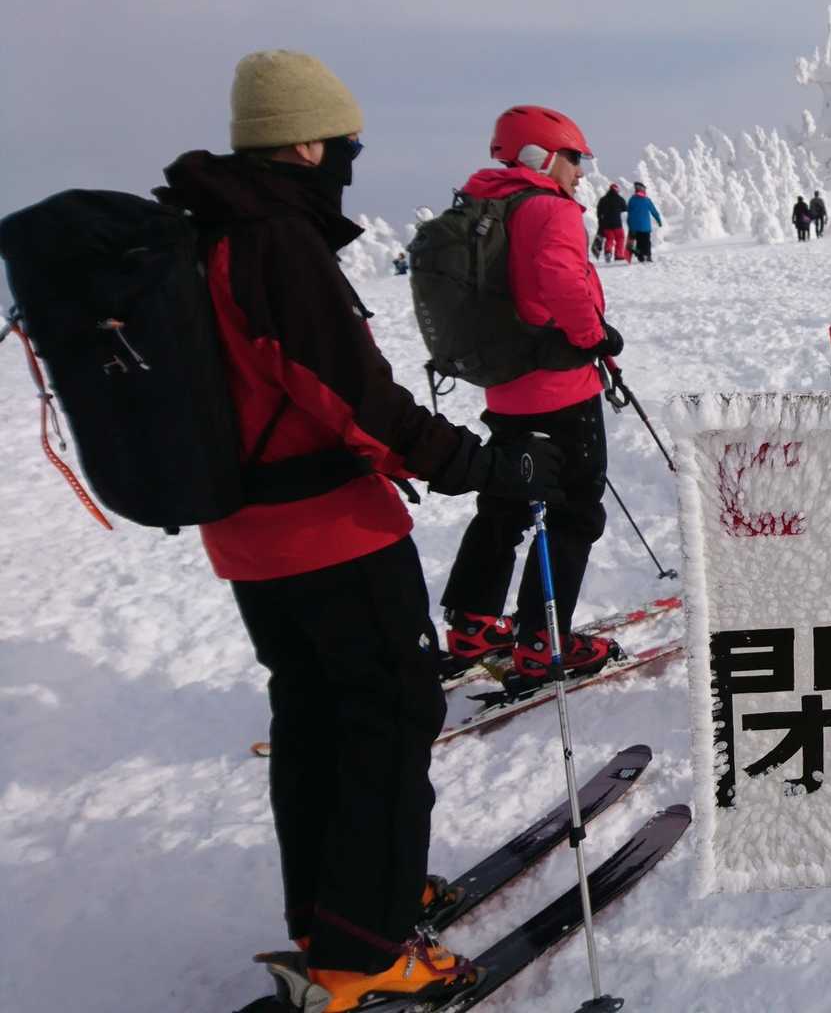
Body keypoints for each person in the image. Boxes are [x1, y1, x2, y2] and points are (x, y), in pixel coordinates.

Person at [157, 50, 564, 1010]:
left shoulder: (208, 231)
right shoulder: (274, 241)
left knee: (316, 717)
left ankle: (336, 910)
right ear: (307, 144)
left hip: (251, 534)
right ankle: (364, 955)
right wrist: (472, 462)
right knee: (386, 719)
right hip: (327, 531)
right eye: (347, 145)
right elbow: (349, 393)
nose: (350, 160)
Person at [439, 105, 624, 687]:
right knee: (575, 508)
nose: (580, 171)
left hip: (506, 386)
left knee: (506, 499)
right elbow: (561, 281)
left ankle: (472, 623)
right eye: (572, 157)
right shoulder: (549, 208)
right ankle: (544, 642)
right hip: (560, 387)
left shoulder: (484, 206)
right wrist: (595, 336)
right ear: (539, 156)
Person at [594, 182, 626, 264]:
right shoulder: (620, 199)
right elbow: (625, 208)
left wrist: (600, 221)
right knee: (620, 238)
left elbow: (599, 211)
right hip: (617, 223)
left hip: (606, 224)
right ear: (617, 190)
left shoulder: (603, 199)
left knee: (609, 239)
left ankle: (608, 252)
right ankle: (619, 255)